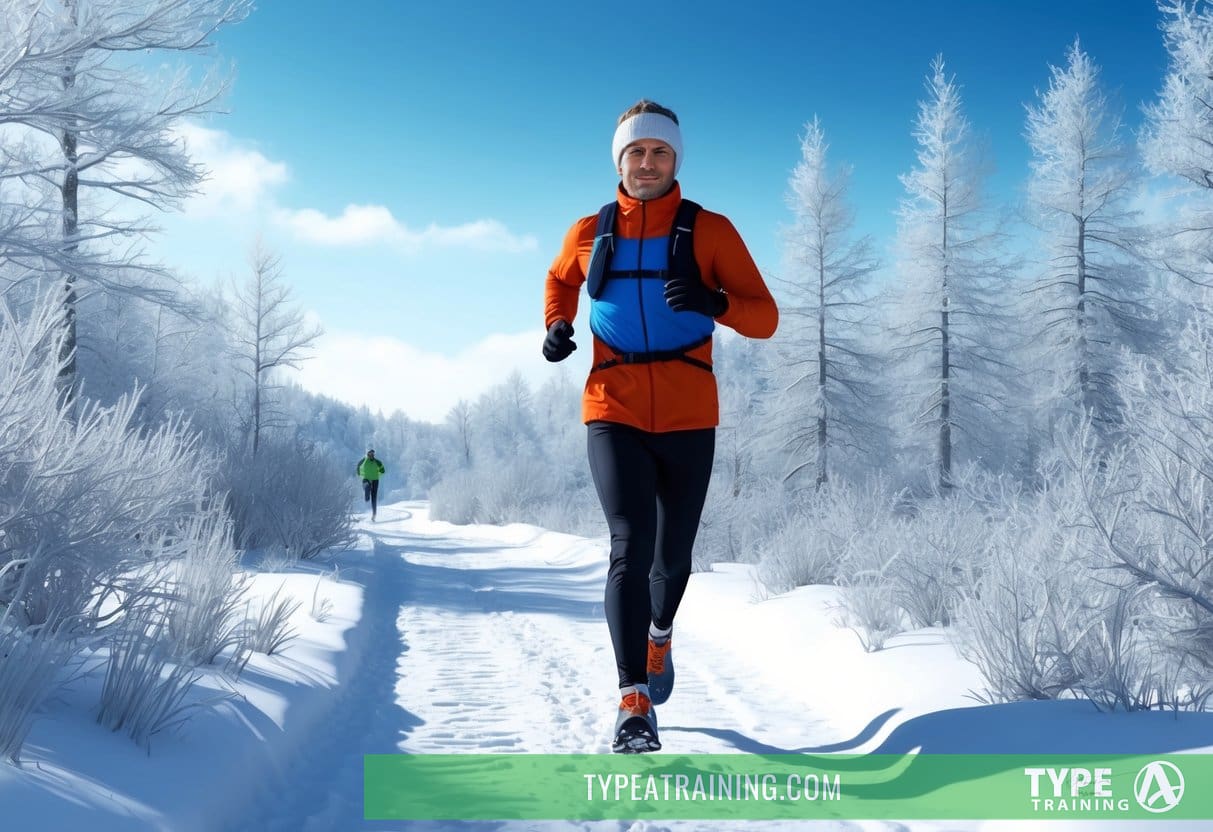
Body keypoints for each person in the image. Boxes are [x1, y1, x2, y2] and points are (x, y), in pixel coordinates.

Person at [543, 99, 778, 752]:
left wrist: (716, 302)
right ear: (619, 161)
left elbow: (765, 317)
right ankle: (632, 703)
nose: (647, 163)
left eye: (659, 153)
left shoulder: (710, 231)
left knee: (672, 558)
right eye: (635, 153)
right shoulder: (589, 230)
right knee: (630, 542)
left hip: (687, 412)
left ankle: (659, 637)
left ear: (676, 160)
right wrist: (555, 328)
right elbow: (559, 281)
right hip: (610, 404)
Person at [357, 448, 385, 521]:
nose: (371, 455)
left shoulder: (377, 462)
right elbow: (358, 466)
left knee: (374, 497)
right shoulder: (364, 460)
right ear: (367, 454)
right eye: (370, 453)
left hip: (375, 480)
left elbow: (383, 470)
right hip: (366, 479)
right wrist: (360, 474)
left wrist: (377, 474)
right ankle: (367, 494)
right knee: (367, 486)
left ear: (374, 454)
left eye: (372, 454)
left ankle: (374, 514)